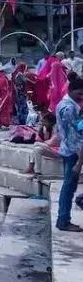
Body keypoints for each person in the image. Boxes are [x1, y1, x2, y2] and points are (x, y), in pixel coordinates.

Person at [55, 75, 83, 231]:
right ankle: (63, 220)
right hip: (72, 152)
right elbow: (76, 137)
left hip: (66, 149)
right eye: (79, 93)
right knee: (68, 188)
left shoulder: (64, 104)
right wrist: (79, 163)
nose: (81, 96)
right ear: (71, 91)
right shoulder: (69, 109)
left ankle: (63, 219)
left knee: (68, 187)